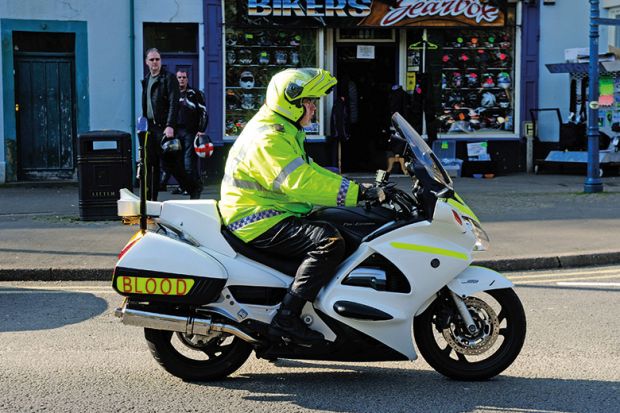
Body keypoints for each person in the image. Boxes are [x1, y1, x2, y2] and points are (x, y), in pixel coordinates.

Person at [219, 68, 385, 344]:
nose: (313, 108)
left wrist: (359, 187)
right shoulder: (269, 137)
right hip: (257, 218)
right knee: (329, 242)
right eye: (309, 102)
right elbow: (300, 182)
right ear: (291, 103)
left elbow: (311, 171)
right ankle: (287, 318)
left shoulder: (284, 129)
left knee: (340, 223)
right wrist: (358, 194)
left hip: (269, 212)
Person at [141, 48, 201, 200]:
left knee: (171, 165)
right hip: (150, 128)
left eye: (157, 59)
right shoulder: (147, 79)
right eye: (152, 59)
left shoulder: (168, 78)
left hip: (163, 128)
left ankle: (193, 187)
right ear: (146, 62)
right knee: (150, 164)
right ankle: (150, 200)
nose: (155, 62)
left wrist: (170, 125)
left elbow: (174, 104)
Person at [173, 70, 206, 194]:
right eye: (179, 77)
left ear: (187, 79)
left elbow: (203, 112)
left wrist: (201, 130)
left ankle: (193, 186)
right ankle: (184, 186)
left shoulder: (195, 94)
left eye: (184, 77)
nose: (181, 79)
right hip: (176, 131)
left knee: (189, 161)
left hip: (190, 131)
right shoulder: (172, 94)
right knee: (177, 161)